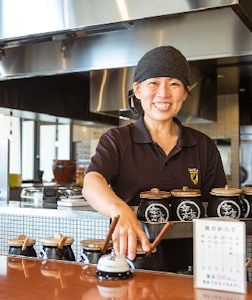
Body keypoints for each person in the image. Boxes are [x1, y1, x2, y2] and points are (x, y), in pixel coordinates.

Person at [82, 46, 227, 272]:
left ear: (186, 92)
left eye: (174, 84)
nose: (163, 93)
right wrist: (120, 209)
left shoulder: (203, 146)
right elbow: (91, 183)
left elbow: (217, 208)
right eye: (154, 83)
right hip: (129, 265)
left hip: (190, 270)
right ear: (138, 90)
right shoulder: (118, 139)